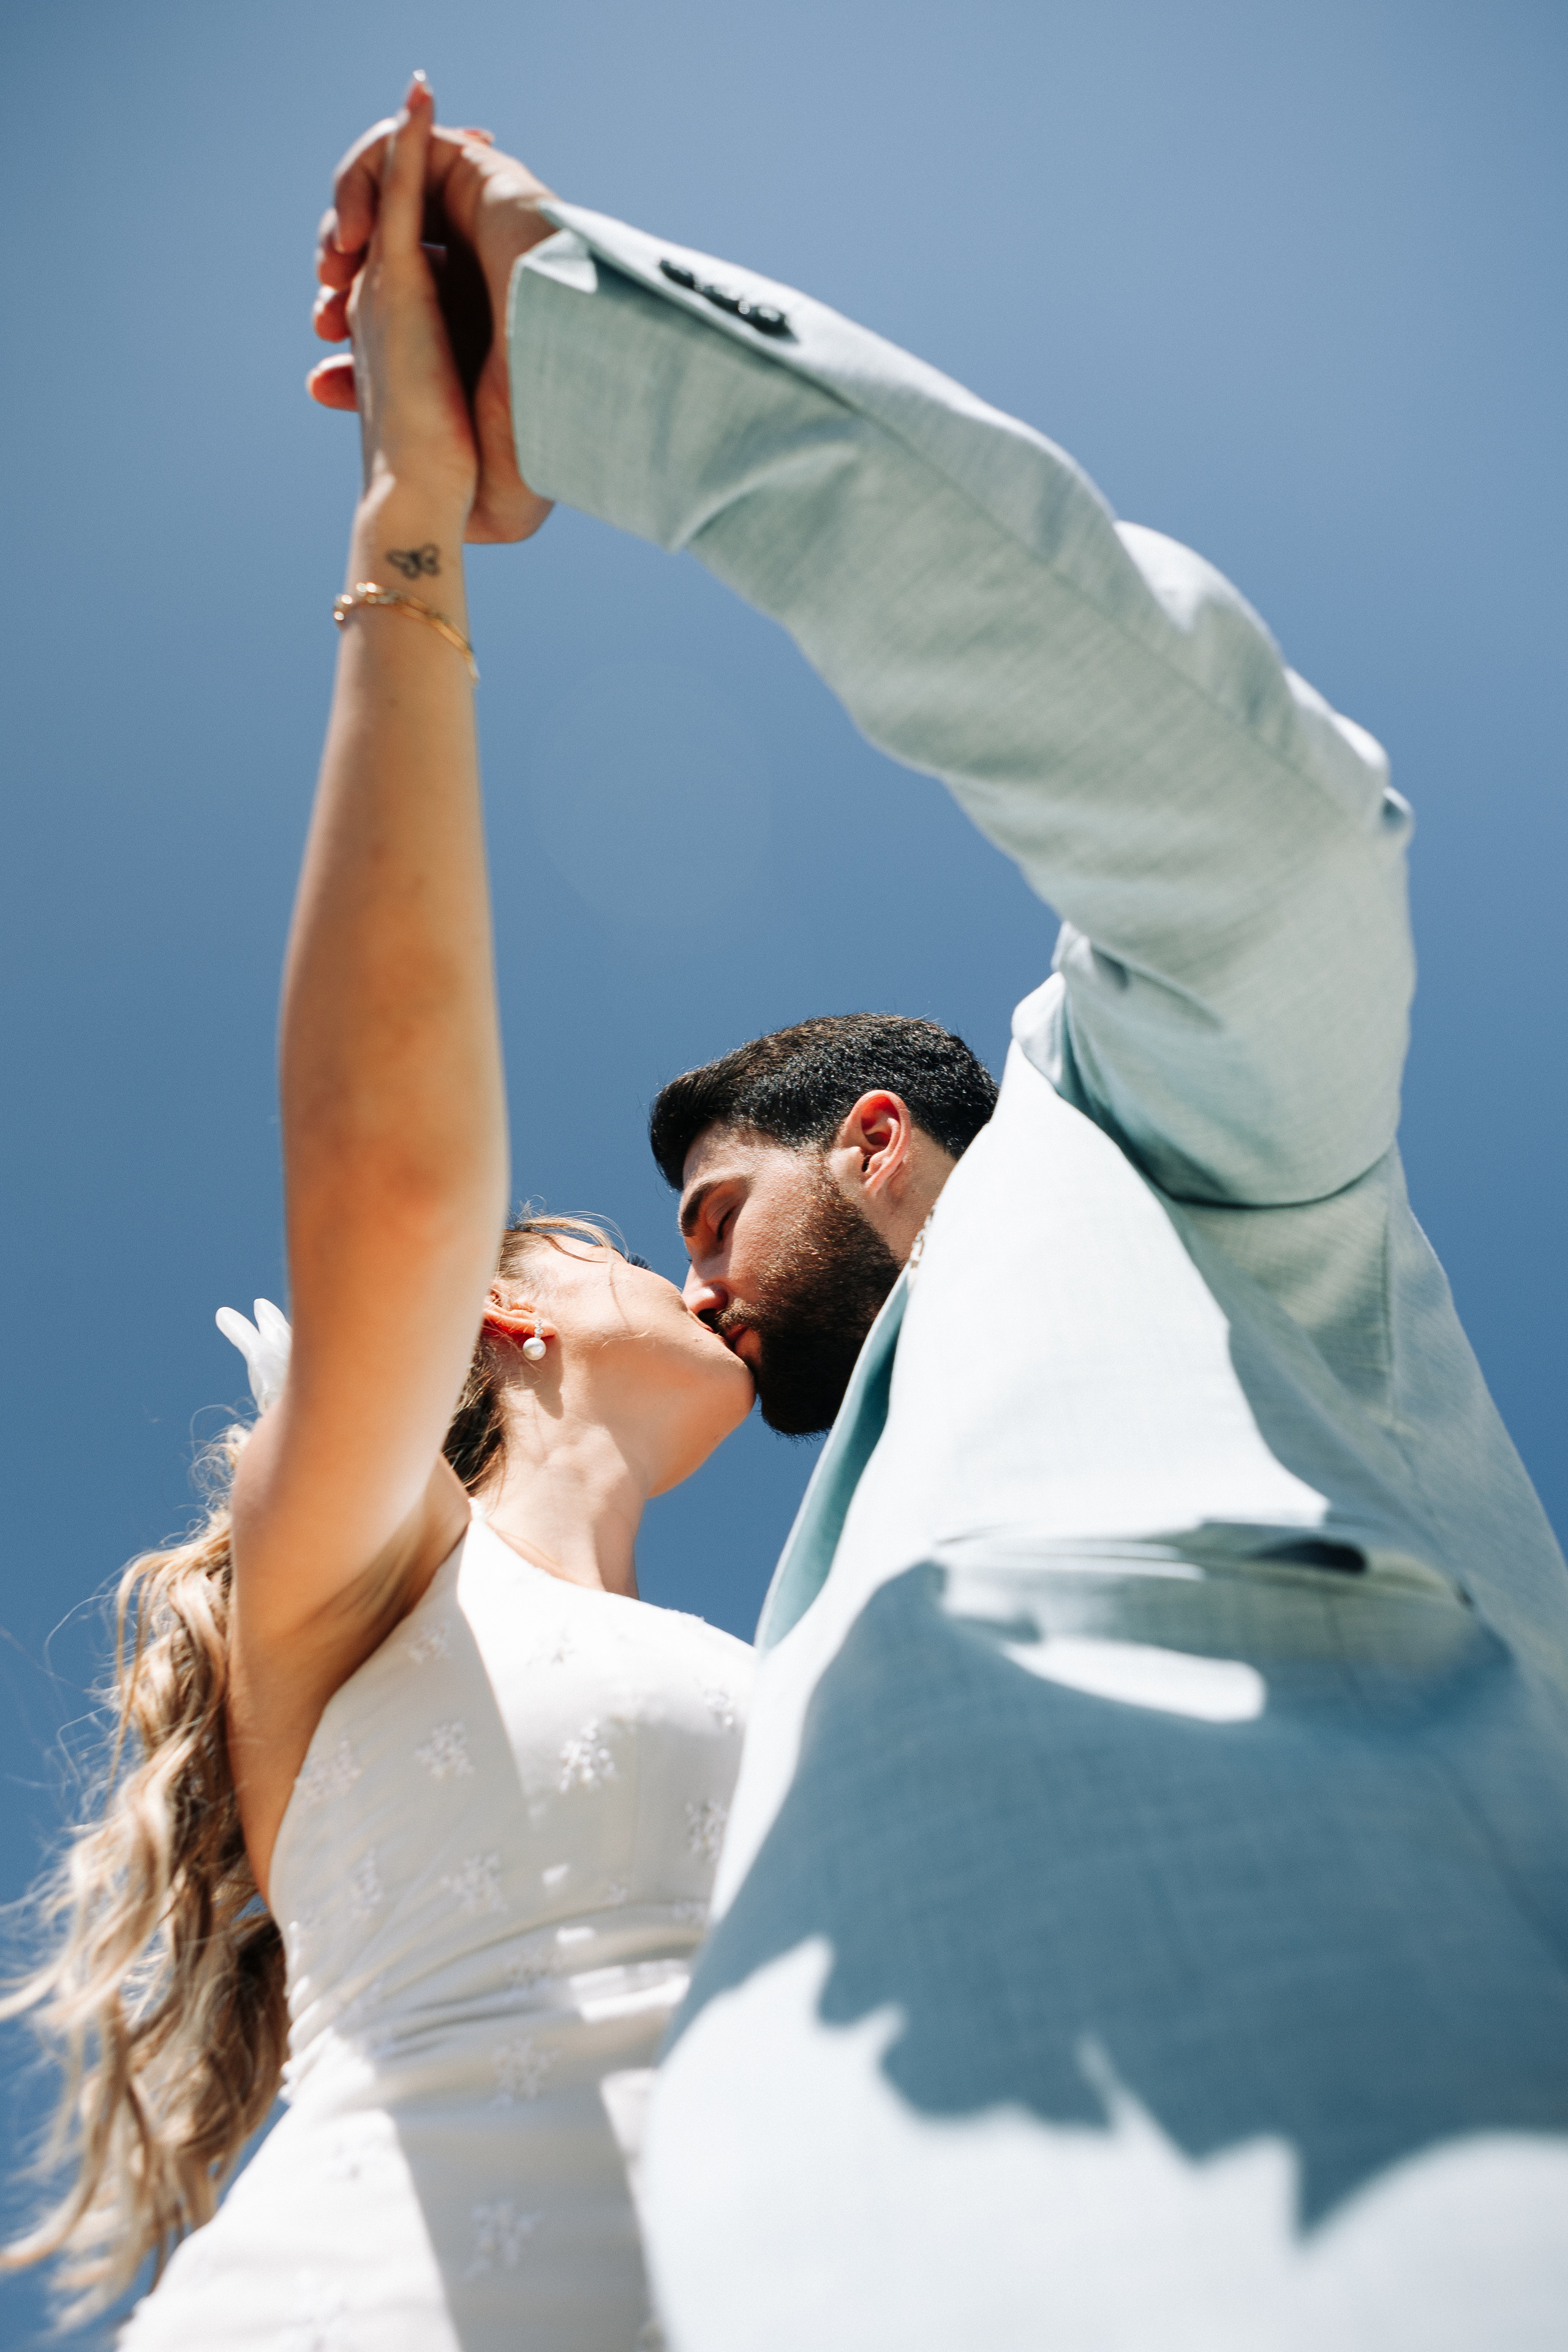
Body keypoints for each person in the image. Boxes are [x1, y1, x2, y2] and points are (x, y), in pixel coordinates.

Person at [311, 97, 1568, 2350]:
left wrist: (601, 371)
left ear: (875, 1136)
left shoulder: (1172, 1145)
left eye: (717, 1212)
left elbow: (1267, 840)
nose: (693, 1281)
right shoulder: (781, 1611)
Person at [3, 78, 754, 2351]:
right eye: (624, 1239)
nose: (688, 1261)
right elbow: (400, 1172)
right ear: (507, 1324)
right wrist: (413, 508)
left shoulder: (774, 1650)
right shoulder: (350, 1578)